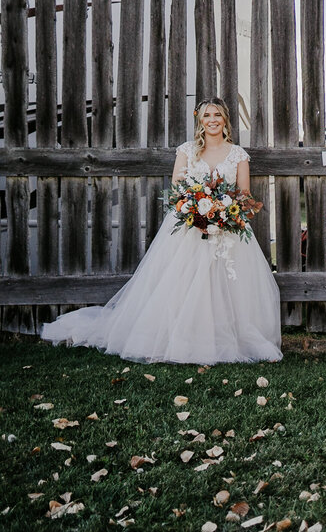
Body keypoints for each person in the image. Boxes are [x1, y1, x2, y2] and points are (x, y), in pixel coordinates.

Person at [42, 98, 282, 364]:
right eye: (206, 116)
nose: (212, 120)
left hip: (227, 229)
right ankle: (181, 337)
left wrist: (225, 211)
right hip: (190, 227)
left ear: (225, 119)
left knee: (229, 285)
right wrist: (198, 209)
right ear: (199, 120)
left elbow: (244, 194)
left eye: (217, 115)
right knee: (181, 285)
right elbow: (178, 189)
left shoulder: (237, 154)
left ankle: (226, 337)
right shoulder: (188, 151)